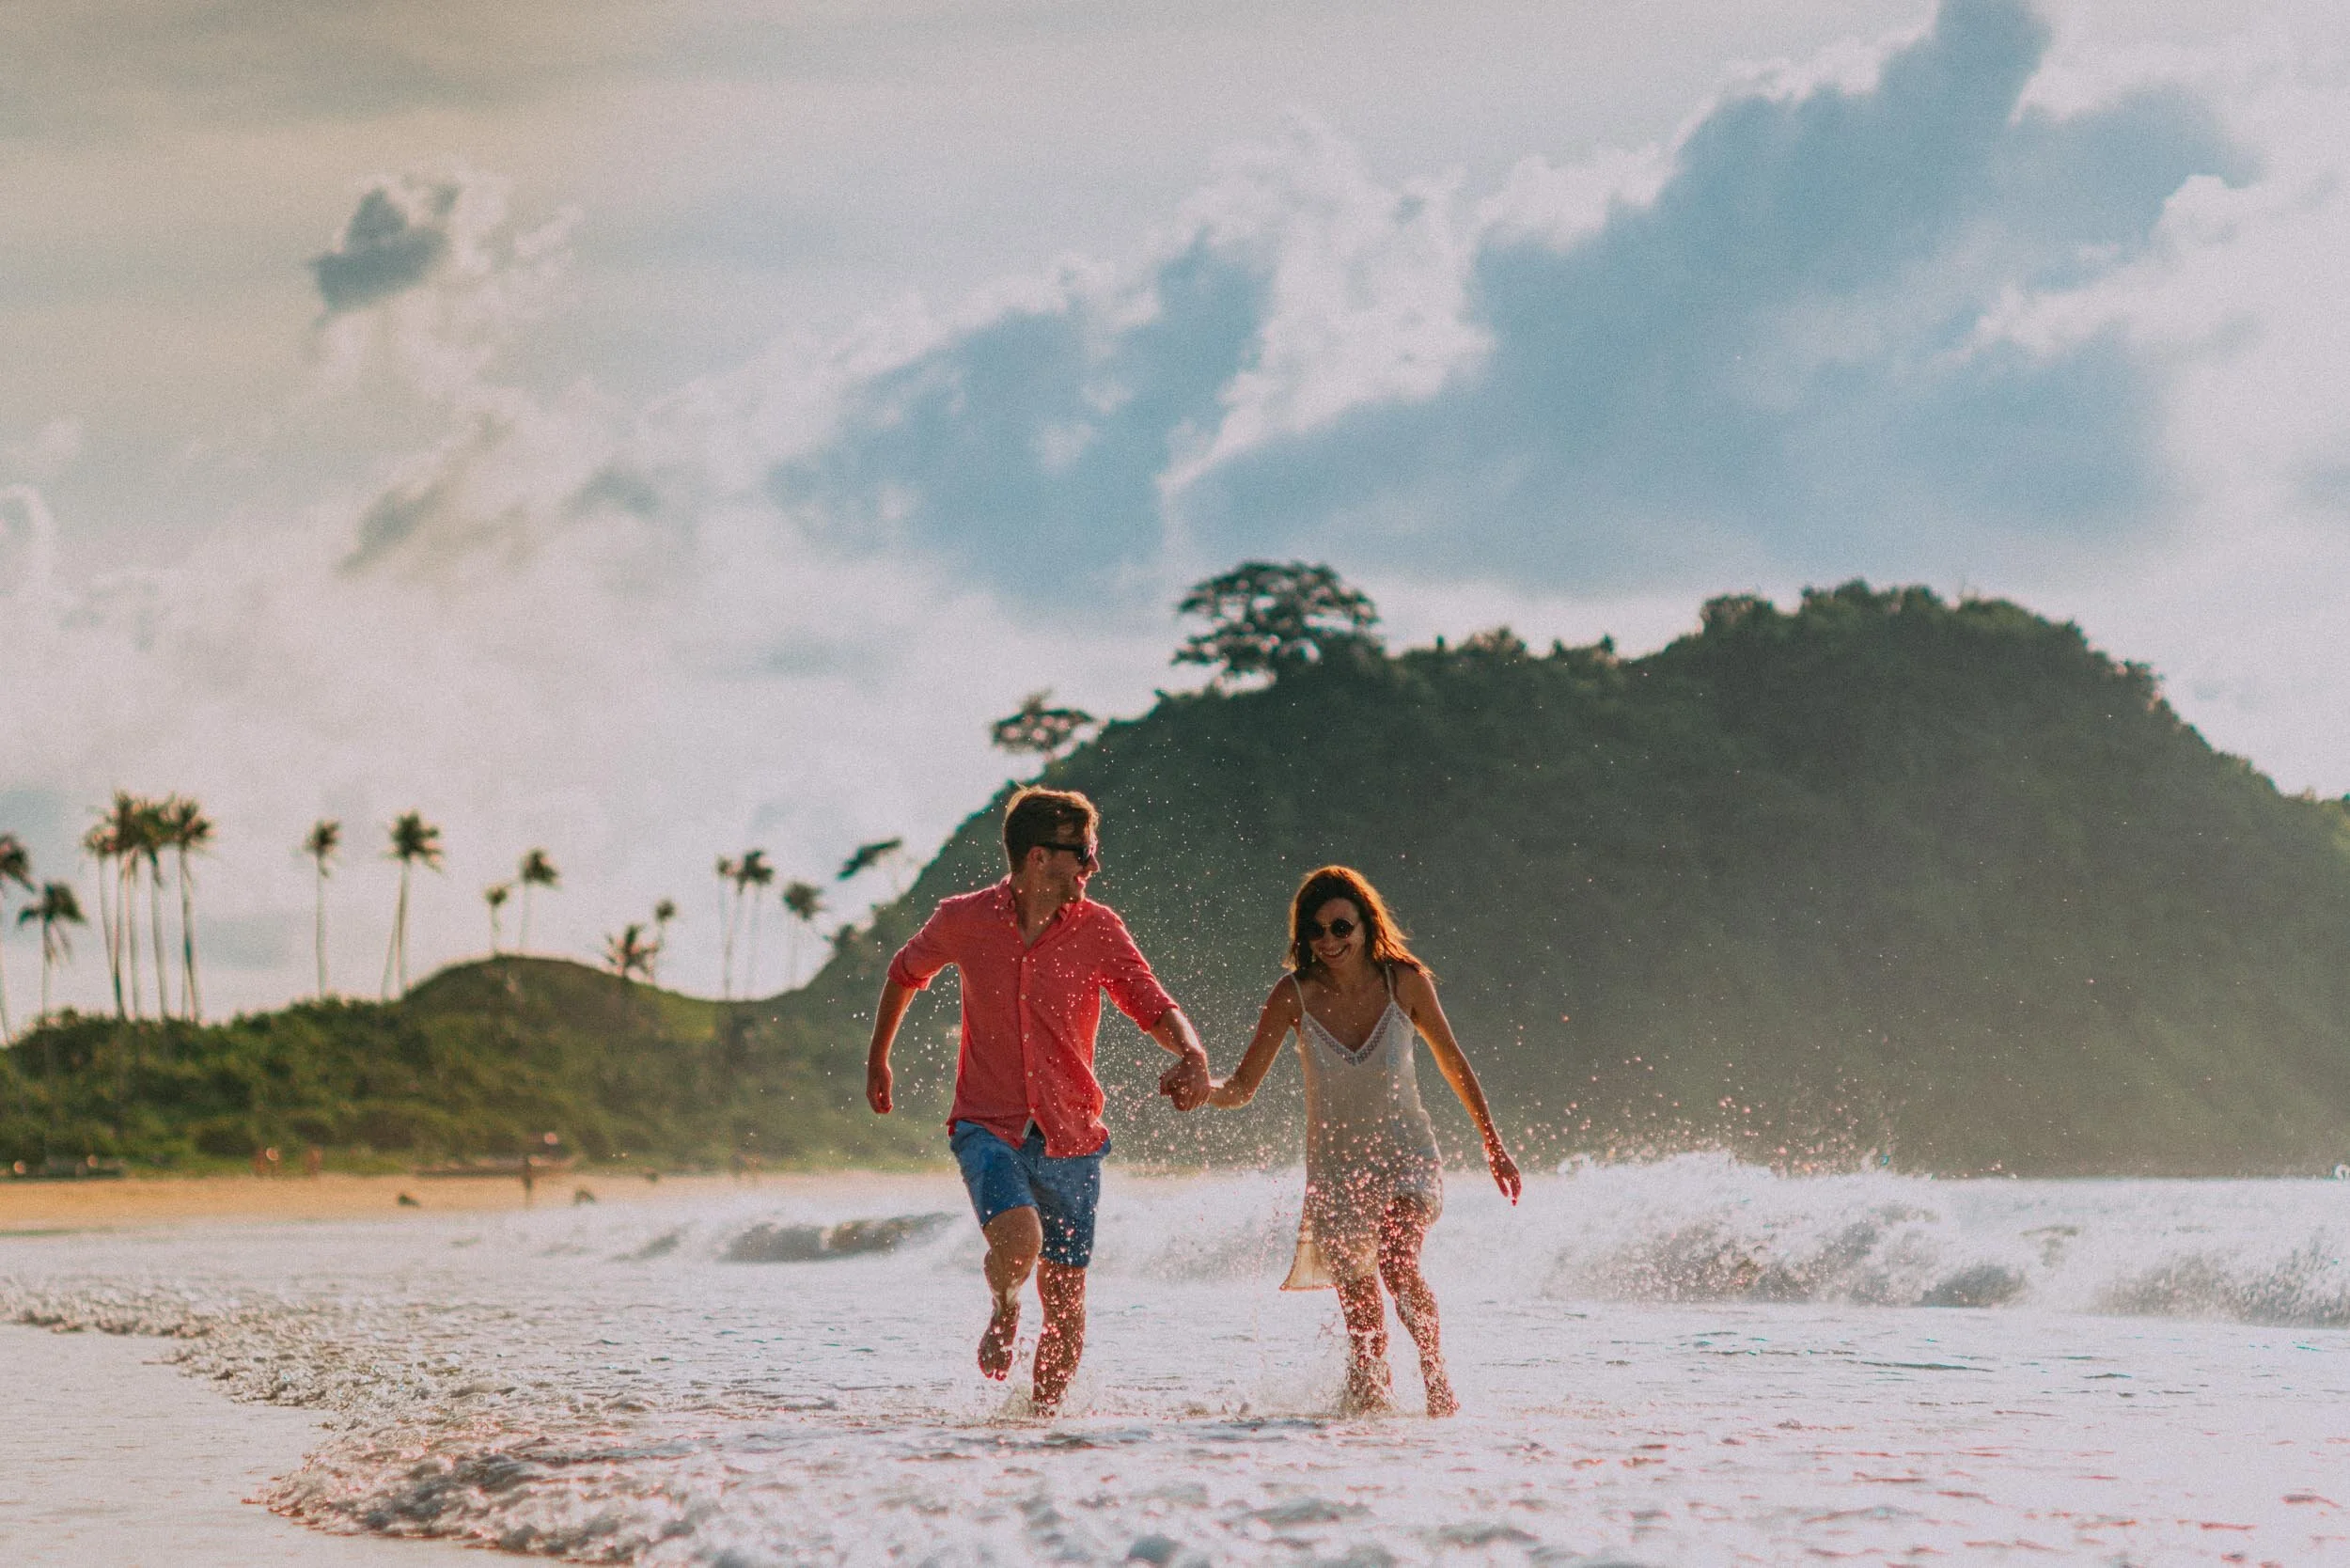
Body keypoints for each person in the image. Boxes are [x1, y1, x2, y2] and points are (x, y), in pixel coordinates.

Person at [868, 787, 1213, 1414]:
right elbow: (904, 971)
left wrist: (1190, 1052)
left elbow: (1150, 1001)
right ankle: (1003, 1307)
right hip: (986, 1125)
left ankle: (1041, 1425)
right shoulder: (964, 919)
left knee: (1067, 1297)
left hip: (1072, 1134)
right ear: (1037, 858)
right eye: (1082, 853)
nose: (1092, 866)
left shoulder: (1099, 929)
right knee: (1019, 1239)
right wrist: (878, 1058)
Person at [1203, 865, 1521, 1416]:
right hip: (1335, 1172)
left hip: (1406, 1156)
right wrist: (1198, 1091)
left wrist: (1492, 1144)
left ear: (1367, 924)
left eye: (1341, 927)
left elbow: (1453, 1063)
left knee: (1399, 1261)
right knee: (1363, 1318)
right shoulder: (1293, 996)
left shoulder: (1405, 982)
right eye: (1316, 932)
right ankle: (1370, 1416)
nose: (1330, 942)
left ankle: (1438, 1383)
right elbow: (1239, 1088)